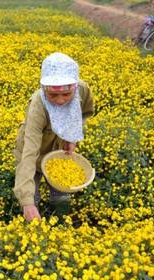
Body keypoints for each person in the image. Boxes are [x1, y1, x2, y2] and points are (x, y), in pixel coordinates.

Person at [13, 52, 94, 222]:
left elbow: (85, 113)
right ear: (44, 89)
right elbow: (29, 153)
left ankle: (61, 221)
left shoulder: (82, 90)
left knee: (61, 193)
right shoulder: (38, 106)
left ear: (74, 87)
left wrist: (72, 138)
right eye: (53, 95)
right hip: (34, 151)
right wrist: (27, 202)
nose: (60, 101)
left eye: (66, 95)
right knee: (31, 197)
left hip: (59, 152)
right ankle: (31, 224)